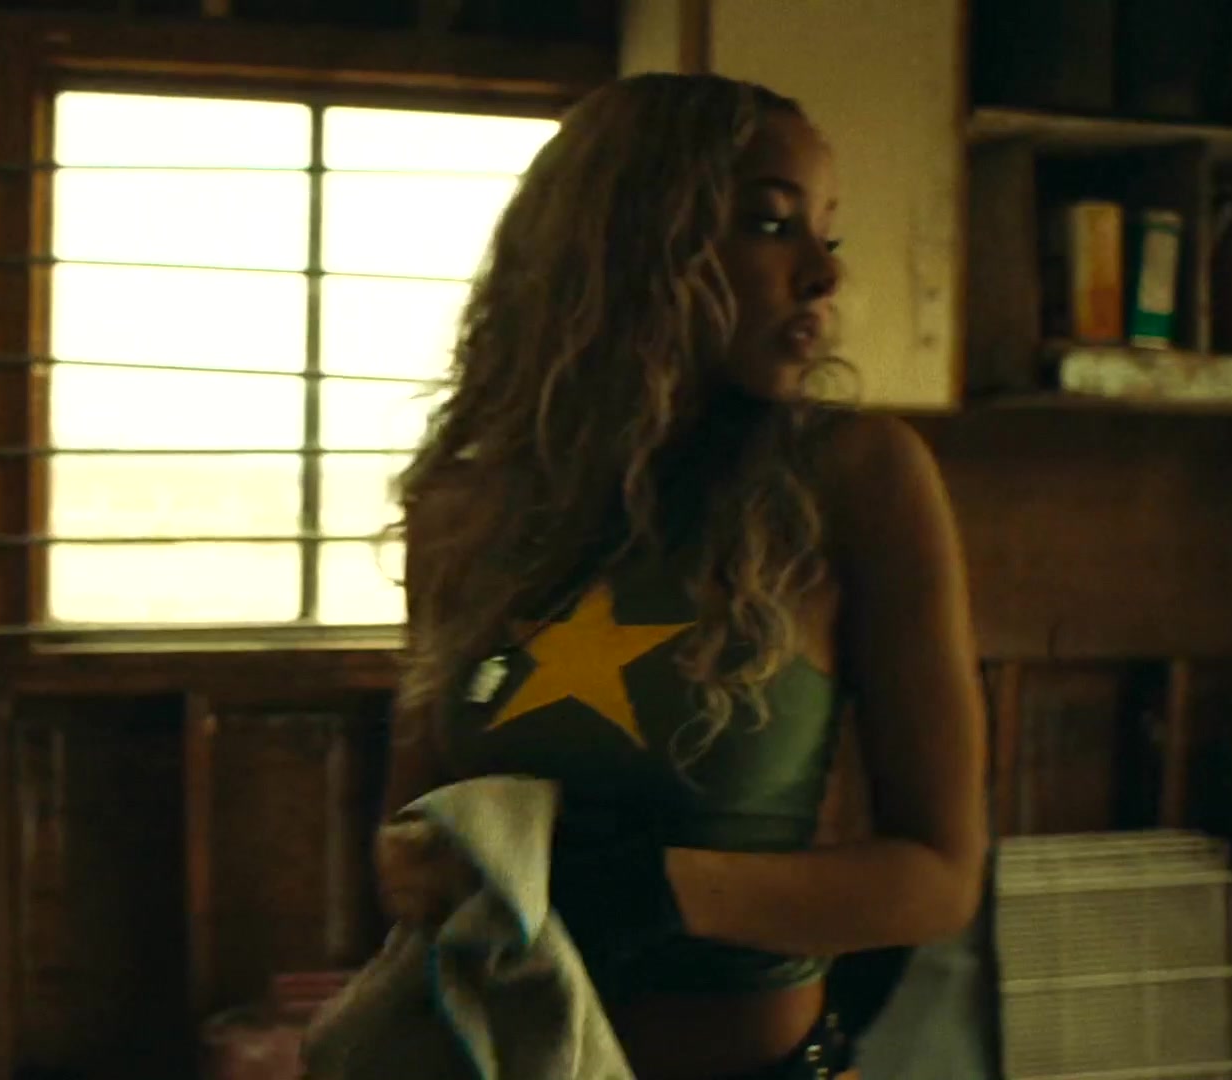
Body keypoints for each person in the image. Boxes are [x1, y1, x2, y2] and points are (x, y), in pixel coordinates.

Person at [373, 73, 989, 1080]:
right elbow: (411, 831)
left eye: (826, 234)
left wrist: (658, 891)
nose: (823, 275)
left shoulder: (855, 479)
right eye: (770, 224)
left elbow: (939, 880)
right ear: (631, 242)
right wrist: (418, 870)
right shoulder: (462, 508)